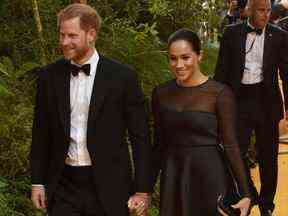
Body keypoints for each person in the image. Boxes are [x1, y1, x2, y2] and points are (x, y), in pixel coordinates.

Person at [30, 3, 152, 216]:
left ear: (91, 34)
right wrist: (37, 182)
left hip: (110, 185)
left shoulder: (123, 77)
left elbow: (140, 136)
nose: (64, 42)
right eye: (62, 35)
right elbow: (41, 132)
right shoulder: (49, 76)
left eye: (72, 36)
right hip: (63, 186)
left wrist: (142, 190)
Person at [151, 28, 251, 216]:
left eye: (185, 57)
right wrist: (144, 190)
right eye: (173, 58)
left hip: (209, 175)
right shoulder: (160, 93)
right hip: (174, 176)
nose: (179, 64)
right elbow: (158, 145)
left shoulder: (219, 93)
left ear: (199, 56)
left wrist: (245, 193)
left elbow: (230, 144)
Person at [214, 0, 288, 215]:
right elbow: (222, 71)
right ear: (248, 11)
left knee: (268, 157)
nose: (265, 15)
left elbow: (286, 71)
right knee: (234, 152)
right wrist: (217, 103)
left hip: (267, 102)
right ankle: (248, 194)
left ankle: (266, 206)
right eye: (261, 10)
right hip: (239, 101)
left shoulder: (280, 35)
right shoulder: (231, 33)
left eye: (267, 11)